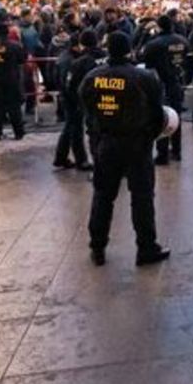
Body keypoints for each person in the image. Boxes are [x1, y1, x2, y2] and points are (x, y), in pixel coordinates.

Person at [78, 32, 170, 267]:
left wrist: (97, 134)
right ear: (129, 50)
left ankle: (97, 246)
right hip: (137, 143)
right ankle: (146, 247)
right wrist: (150, 135)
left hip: (106, 143)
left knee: (103, 196)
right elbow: (158, 113)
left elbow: (86, 109)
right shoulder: (144, 77)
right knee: (142, 197)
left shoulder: (92, 77)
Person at [140, 15, 189, 166]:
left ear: (159, 26)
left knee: (161, 118)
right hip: (177, 82)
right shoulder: (182, 41)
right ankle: (177, 150)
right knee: (176, 116)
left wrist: (144, 35)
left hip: (160, 83)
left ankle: (162, 154)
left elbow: (143, 58)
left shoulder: (154, 44)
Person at [54, 31, 101, 171]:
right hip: (71, 98)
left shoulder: (71, 58)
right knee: (74, 129)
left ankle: (62, 158)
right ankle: (79, 160)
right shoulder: (69, 61)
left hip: (71, 97)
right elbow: (68, 83)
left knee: (71, 127)